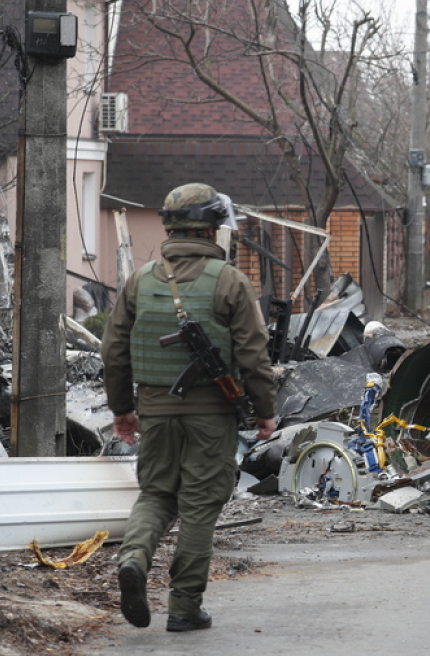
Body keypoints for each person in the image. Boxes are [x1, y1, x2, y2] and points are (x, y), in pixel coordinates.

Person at [102, 183, 277, 632]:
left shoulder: (139, 280)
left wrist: (122, 410)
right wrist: (264, 410)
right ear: (213, 226)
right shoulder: (230, 281)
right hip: (212, 416)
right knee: (199, 504)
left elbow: (114, 351)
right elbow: (254, 355)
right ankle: (183, 607)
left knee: (156, 494)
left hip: (154, 411)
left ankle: (134, 559)